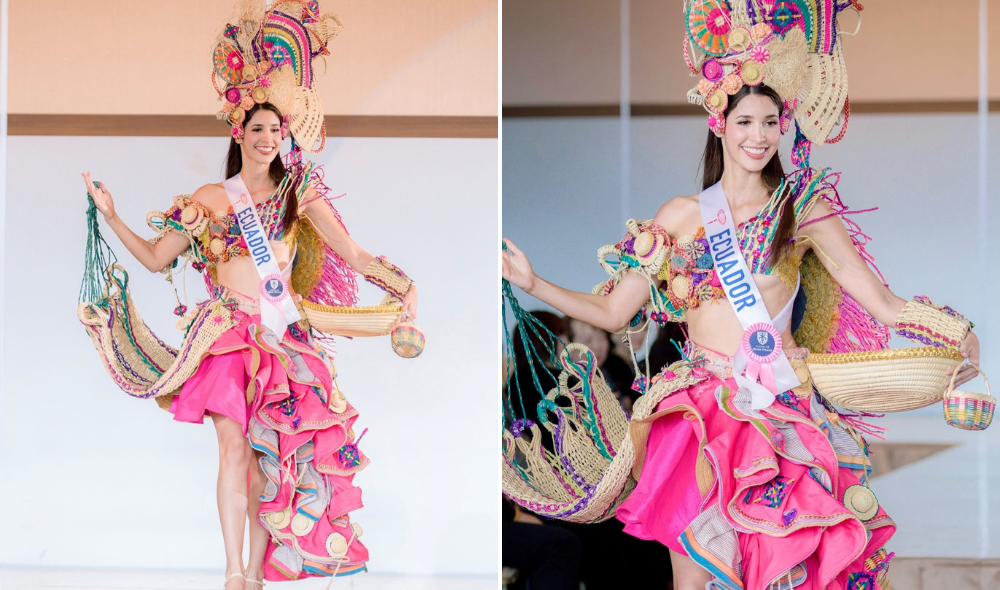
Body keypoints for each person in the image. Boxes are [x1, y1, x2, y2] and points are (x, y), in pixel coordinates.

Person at [502, 4, 980, 588]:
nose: (759, 136)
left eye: (771, 122)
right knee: (693, 577)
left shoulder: (802, 210)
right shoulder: (680, 216)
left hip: (777, 411)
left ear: (784, 126)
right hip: (695, 415)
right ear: (718, 122)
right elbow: (612, 311)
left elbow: (883, 302)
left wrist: (959, 333)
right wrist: (534, 284)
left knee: (785, 570)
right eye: (746, 121)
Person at [77, 2, 418, 587]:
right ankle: (234, 572)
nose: (266, 138)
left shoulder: (297, 192)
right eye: (256, 129)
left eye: (275, 130)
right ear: (240, 132)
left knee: (270, 464)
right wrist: (111, 217)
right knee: (233, 449)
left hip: (281, 337)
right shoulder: (213, 195)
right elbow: (159, 257)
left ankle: (257, 574)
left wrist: (402, 286)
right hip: (229, 336)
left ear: (286, 136)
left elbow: (354, 254)